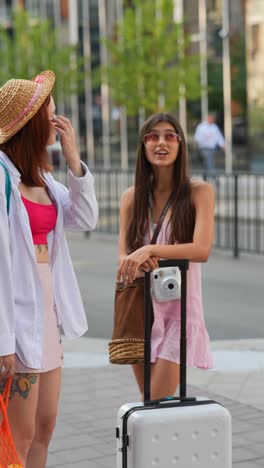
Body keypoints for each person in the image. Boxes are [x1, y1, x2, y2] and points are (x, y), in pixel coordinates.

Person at [0, 70, 98, 467]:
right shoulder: (3, 182)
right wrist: (3, 340)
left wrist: (74, 160)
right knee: (17, 436)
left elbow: (85, 217)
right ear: (31, 124)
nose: (58, 123)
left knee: (45, 427)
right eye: (51, 115)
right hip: (16, 319)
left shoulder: (41, 179)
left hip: (48, 316)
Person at [117, 112, 214, 401]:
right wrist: (134, 258)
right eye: (153, 136)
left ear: (181, 144)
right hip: (140, 310)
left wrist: (151, 250)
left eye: (170, 136)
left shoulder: (199, 193)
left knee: (157, 400)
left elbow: (201, 250)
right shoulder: (131, 198)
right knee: (150, 404)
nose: (161, 142)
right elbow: (122, 258)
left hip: (179, 312)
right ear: (143, 146)